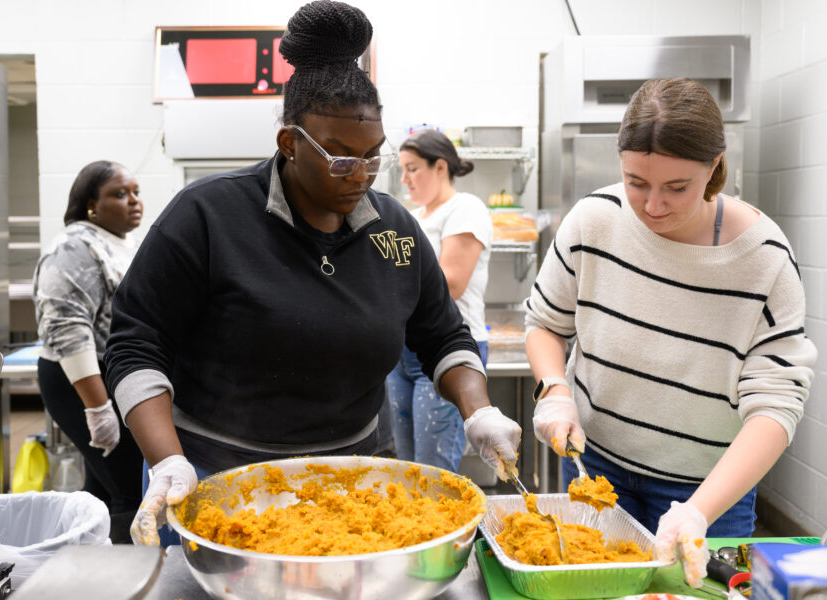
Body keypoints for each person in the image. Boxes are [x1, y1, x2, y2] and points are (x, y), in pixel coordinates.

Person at [103, 0, 522, 547]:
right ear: (290, 144)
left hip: (355, 478)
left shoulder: (393, 231)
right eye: (342, 158)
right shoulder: (208, 216)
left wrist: (479, 410)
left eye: (375, 157)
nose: (363, 175)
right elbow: (135, 344)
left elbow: (442, 335)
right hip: (215, 479)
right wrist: (168, 461)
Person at [523, 77, 816, 586]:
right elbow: (545, 324)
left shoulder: (764, 261)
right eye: (636, 182)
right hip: (596, 471)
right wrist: (555, 390)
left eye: (676, 187)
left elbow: (776, 406)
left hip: (709, 491)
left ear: (715, 166)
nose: (652, 205)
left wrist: (698, 511)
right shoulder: (595, 220)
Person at [33, 160, 145, 543]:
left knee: (101, 485)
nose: (134, 201)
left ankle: (80, 565)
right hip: (81, 379)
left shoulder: (115, 242)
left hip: (109, 374)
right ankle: (127, 577)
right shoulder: (75, 244)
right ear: (90, 204)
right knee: (130, 489)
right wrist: (98, 408)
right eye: (119, 194)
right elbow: (67, 325)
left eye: (135, 192)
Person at [386, 129, 492, 472]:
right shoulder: (413, 218)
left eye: (413, 168)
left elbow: (452, 284)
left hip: (448, 346)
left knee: (434, 471)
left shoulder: (465, 208)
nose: (405, 180)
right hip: (403, 351)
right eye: (401, 170)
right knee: (407, 467)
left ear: (440, 167)